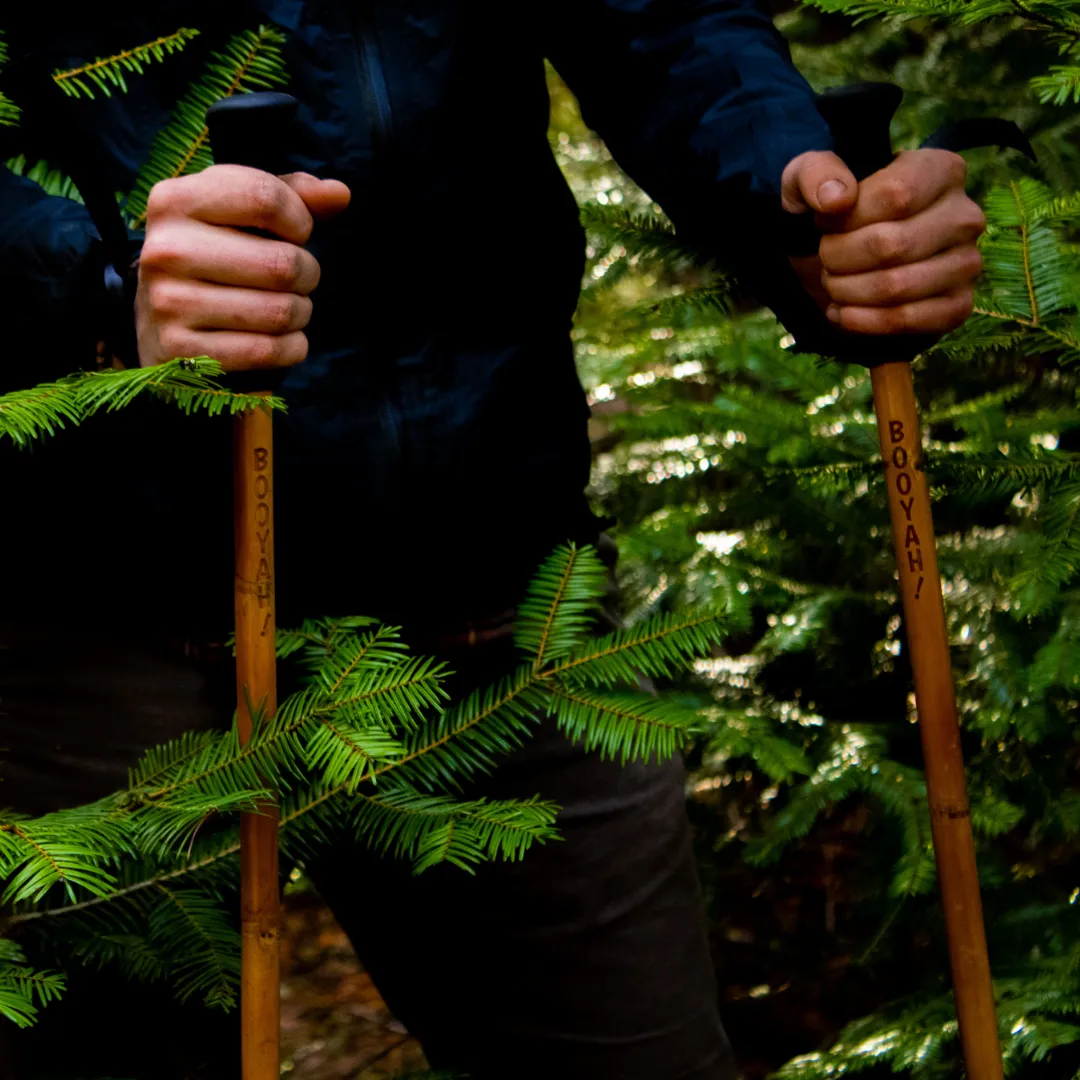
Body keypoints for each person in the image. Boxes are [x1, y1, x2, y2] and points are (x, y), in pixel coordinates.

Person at [0, 2, 986, 1078]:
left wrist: (795, 201)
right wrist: (91, 297)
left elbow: (662, 22)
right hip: (93, 605)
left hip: (495, 578)